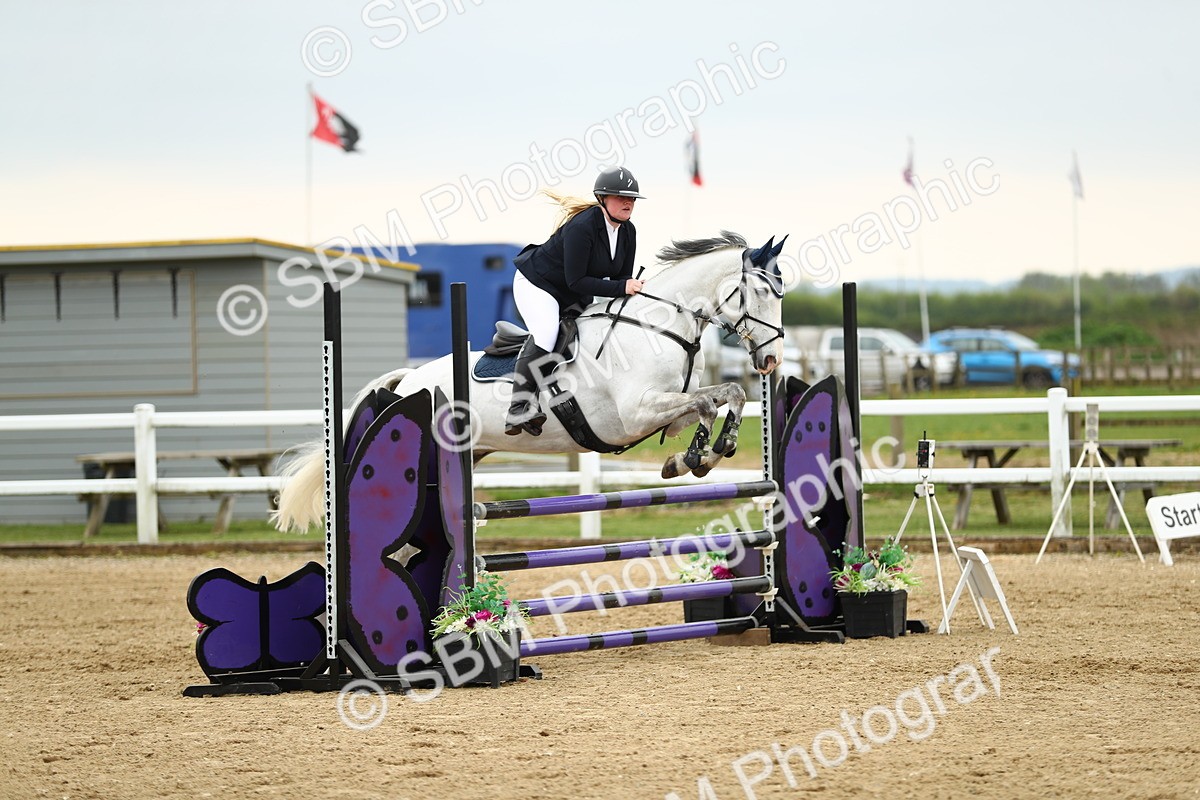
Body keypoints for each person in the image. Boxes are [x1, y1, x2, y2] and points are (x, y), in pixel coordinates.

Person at [505, 166, 647, 436]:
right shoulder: (582, 227)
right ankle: (518, 406)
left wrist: (629, 289)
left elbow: (622, 278)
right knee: (548, 334)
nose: (628, 202)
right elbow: (578, 281)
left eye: (632, 198)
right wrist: (622, 287)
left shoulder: (629, 231)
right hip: (537, 283)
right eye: (620, 197)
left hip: (572, 291)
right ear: (602, 199)